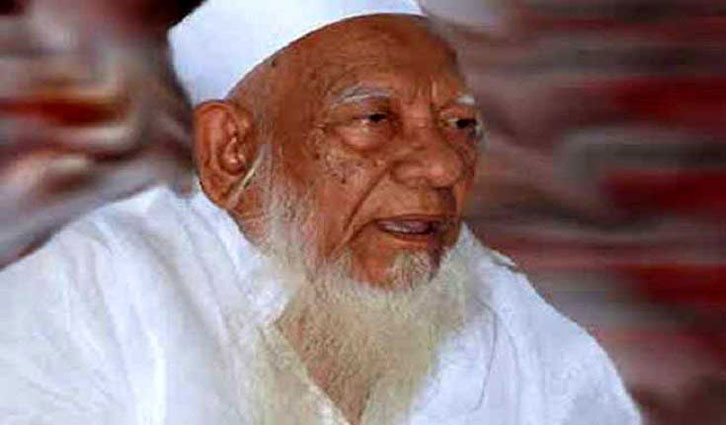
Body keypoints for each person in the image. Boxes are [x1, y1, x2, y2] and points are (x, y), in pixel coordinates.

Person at [0, 1, 641, 424]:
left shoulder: (509, 318)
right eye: (374, 119)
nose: (443, 167)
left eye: (461, 125)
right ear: (231, 150)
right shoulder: (90, 293)